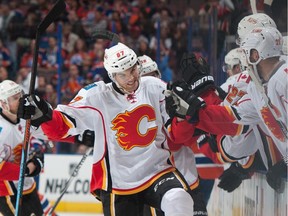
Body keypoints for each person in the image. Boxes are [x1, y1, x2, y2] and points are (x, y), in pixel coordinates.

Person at [18, 42, 194, 215]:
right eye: (123, 75)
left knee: (179, 200)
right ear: (112, 76)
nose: (131, 78)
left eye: (132, 70)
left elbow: (177, 134)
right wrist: (44, 113)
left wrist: (184, 114)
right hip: (120, 183)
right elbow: (62, 126)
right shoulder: (96, 96)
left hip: (157, 170)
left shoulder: (155, 86)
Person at [165, 26, 287, 193]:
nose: (243, 60)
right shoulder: (256, 89)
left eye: (245, 53)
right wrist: (192, 111)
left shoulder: (283, 78)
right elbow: (232, 117)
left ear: (255, 55)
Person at [139, 54, 208, 216]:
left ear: (158, 76)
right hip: (151, 188)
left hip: (186, 183)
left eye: (153, 76)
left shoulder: (175, 99)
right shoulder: (130, 111)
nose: (150, 82)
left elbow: (181, 139)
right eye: (144, 78)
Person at [0, 80, 44, 216]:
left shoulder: (26, 119)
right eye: (14, 98)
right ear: (3, 104)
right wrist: (24, 170)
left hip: (27, 186)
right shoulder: (1, 130)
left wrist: (36, 160)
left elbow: (38, 141)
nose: (19, 100)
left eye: (20, 96)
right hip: (6, 190)